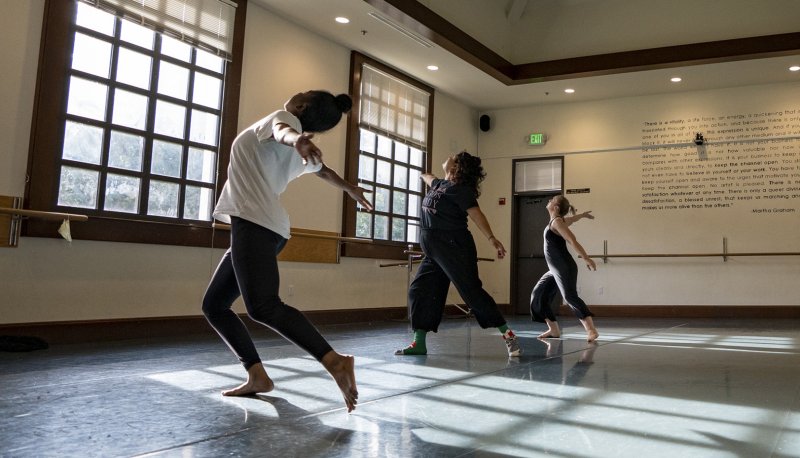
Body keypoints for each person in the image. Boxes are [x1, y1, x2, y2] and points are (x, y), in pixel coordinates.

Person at [202, 90, 373, 413]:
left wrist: (295, 139)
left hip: (255, 223)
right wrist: (348, 187)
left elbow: (284, 131)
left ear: (301, 105)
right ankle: (257, 375)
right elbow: (322, 171)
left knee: (263, 306)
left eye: (302, 92)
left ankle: (334, 361)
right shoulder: (298, 145)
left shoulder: (283, 122)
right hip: (262, 226)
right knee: (215, 305)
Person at [396, 151, 521, 357]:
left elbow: (477, 215)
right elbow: (427, 176)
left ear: (456, 168)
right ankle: (419, 342)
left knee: (471, 292)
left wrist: (492, 239)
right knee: (420, 291)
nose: (448, 156)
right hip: (434, 251)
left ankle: (508, 335)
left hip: (454, 247)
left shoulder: (461, 191)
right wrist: (420, 173)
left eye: (453, 157)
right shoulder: (439, 185)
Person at [529, 195, 599, 342]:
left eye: (552, 200)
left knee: (569, 296)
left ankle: (591, 330)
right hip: (554, 269)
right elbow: (572, 219)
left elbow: (572, 240)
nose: (548, 200)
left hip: (563, 267)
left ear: (556, 208)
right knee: (538, 296)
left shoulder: (557, 222)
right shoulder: (557, 221)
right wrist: (583, 215)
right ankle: (553, 330)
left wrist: (586, 258)